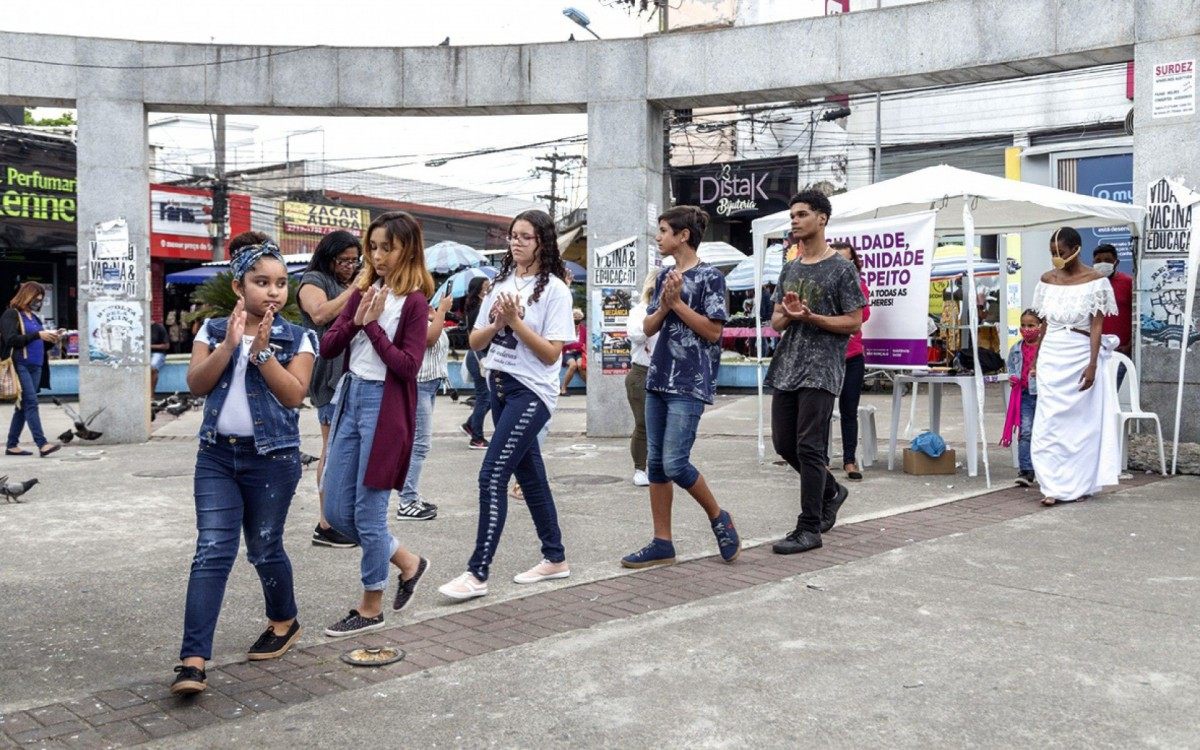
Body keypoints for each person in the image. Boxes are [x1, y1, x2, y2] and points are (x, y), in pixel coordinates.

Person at [171, 243, 317, 696]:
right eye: (261, 282)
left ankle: (284, 620)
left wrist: (261, 353)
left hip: (273, 460)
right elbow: (196, 384)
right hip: (216, 456)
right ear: (239, 286)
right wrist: (231, 345)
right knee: (212, 550)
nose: (272, 292)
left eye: (279, 283)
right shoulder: (212, 330)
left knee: (264, 547)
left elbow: (294, 395)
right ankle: (192, 661)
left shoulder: (297, 337)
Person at [438, 209, 575, 600]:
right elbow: (476, 341)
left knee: (492, 475)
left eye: (526, 237)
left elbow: (551, 355)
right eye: (513, 236)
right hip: (497, 386)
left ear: (542, 243)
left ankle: (477, 572)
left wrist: (516, 322)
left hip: (530, 392)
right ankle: (555, 557)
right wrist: (498, 324)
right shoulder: (500, 283)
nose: (516, 242)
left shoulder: (556, 292)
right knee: (531, 478)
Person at [319, 211, 431, 637]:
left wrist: (375, 330)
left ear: (407, 250)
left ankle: (371, 606)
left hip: (386, 408)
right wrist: (356, 319)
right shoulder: (364, 289)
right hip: (350, 399)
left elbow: (408, 366)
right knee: (334, 511)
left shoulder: (415, 302)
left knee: (368, 514)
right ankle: (408, 562)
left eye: (388, 247)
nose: (378, 256)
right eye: (373, 247)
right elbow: (329, 346)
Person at [620, 205, 741, 569]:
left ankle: (719, 517)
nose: (658, 237)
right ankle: (662, 542)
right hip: (657, 378)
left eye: (663, 230)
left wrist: (677, 305)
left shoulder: (710, 278)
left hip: (690, 382)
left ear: (683, 235)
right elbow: (650, 327)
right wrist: (666, 305)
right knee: (655, 464)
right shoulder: (663, 276)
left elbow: (713, 331)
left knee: (675, 462)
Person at [766, 190, 866, 555]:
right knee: (784, 444)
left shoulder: (841, 268)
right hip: (787, 366)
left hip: (822, 368)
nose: (794, 220)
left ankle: (809, 527)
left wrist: (813, 318)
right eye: (792, 214)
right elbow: (776, 321)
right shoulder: (790, 267)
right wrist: (790, 316)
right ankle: (832, 491)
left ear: (822, 218)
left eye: (802, 214)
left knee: (809, 447)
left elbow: (854, 321)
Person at [1030, 227, 1120, 506]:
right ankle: (1051, 485)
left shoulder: (1096, 281)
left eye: (1062, 252)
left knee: (1081, 425)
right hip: (1052, 355)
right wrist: (1035, 359)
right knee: (1048, 421)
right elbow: (1042, 324)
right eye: (1052, 253)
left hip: (1080, 353)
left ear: (1077, 249)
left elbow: (1096, 325)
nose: (1057, 258)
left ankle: (1079, 483)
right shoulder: (1047, 280)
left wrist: (1093, 364)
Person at [297, 230, 365, 548]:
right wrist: (355, 289)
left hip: (352, 375)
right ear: (329, 257)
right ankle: (326, 524)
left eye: (355, 261)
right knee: (332, 450)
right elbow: (320, 313)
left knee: (346, 451)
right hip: (329, 376)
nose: (350, 266)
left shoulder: (342, 284)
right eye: (344, 261)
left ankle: (340, 517)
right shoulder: (314, 280)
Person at [395, 293, 454, 521]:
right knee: (419, 444)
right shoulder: (409, 311)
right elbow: (428, 339)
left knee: (417, 443)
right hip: (418, 385)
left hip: (428, 385)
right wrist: (441, 311)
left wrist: (434, 315)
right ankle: (407, 501)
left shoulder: (421, 312)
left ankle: (411, 497)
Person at [2, 282, 60, 457]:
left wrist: (52, 339)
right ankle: (42, 444)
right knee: (31, 403)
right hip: (20, 364)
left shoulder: (33, 318)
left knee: (23, 406)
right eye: (36, 298)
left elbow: (38, 343)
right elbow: (11, 340)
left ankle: (12, 445)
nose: (38, 302)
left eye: (41, 300)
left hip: (36, 365)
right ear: (26, 296)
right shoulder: (11, 314)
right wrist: (37, 335)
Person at [830, 241, 871, 481]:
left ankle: (849, 460)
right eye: (838, 260)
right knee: (821, 412)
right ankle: (821, 462)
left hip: (852, 357)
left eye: (848, 261)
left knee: (849, 411)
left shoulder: (859, 286)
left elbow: (862, 315)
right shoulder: (822, 284)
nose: (843, 266)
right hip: (826, 358)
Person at [625, 273, 660, 487]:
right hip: (642, 372)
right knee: (644, 424)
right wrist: (658, 313)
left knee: (664, 425)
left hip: (667, 373)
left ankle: (662, 466)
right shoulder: (638, 312)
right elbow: (638, 334)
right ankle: (640, 467)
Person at [1005, 309, 1043, 487]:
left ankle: (1045, 469)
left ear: (1041, 327)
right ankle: (1026, 470)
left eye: (1031, 325)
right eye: (1023, 325)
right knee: (1025, 431)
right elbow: (1011, 367)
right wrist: (1013, 376)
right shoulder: (1016, 349)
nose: (1026, 329)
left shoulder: (1046, 349)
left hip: (1045, 395)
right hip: (1026, 396)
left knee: (1045, 432)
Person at [1092, 243, 1134, 386]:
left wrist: (1130, 344)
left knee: (1110, 394)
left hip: (1120, 351)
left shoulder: (1129, 283)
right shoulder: (1089, 284)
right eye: (1098, 261)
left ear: (1116, 262)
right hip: (1093, 352)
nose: (1102, 264)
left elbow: (1137, 316)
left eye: (1107, 260)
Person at [460, 277, 492, 450]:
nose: (488, 289)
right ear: (478, 289)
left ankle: (470, 425)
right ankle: (476, 438)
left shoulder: (480, 305)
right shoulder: (477, 309)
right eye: (485, 287)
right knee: (484, 397)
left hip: (481, 354)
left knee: (489, 397)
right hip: (478, 355)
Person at [560, 308, 587, 395]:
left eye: (579, 317)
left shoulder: (583, 329)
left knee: (580, 365)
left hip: (579, 353)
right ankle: (563, 389)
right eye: (575, 316)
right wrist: (577, 346)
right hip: (567, 353)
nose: (577, 318)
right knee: (573, 365)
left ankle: (590, 388)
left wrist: (576, 347)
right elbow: (564, 344)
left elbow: (584, 344)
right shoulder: (566, 329)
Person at [150, 319, 169, 394]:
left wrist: (149, 346)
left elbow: (166, 346)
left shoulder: (159, 327)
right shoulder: (139, 327)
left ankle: (151, 394)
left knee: (153, 367)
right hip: (143, 354)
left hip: (158, 353)